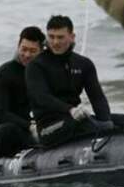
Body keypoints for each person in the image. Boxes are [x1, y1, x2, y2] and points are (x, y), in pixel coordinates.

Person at [25, 15, 115, 147]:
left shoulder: (84, 64)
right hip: (48, 127)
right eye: (51, 37)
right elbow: (41, 97)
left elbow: (97, 98)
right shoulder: (36, 66)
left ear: (72, 37)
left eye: (60, 37)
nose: (55, 42)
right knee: (83, 125)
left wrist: (107, 122)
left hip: (76, 118)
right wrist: (70, 110)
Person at [0, 26, 44, 157]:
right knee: (6, 131)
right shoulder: (5, 73)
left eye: (32, 51)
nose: (27, 55)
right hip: (5, 128)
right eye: (24, 49)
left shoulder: (44, 73)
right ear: (18, 46)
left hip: (33, 126)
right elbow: (0, 113)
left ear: (41, 51)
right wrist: (29, 126)